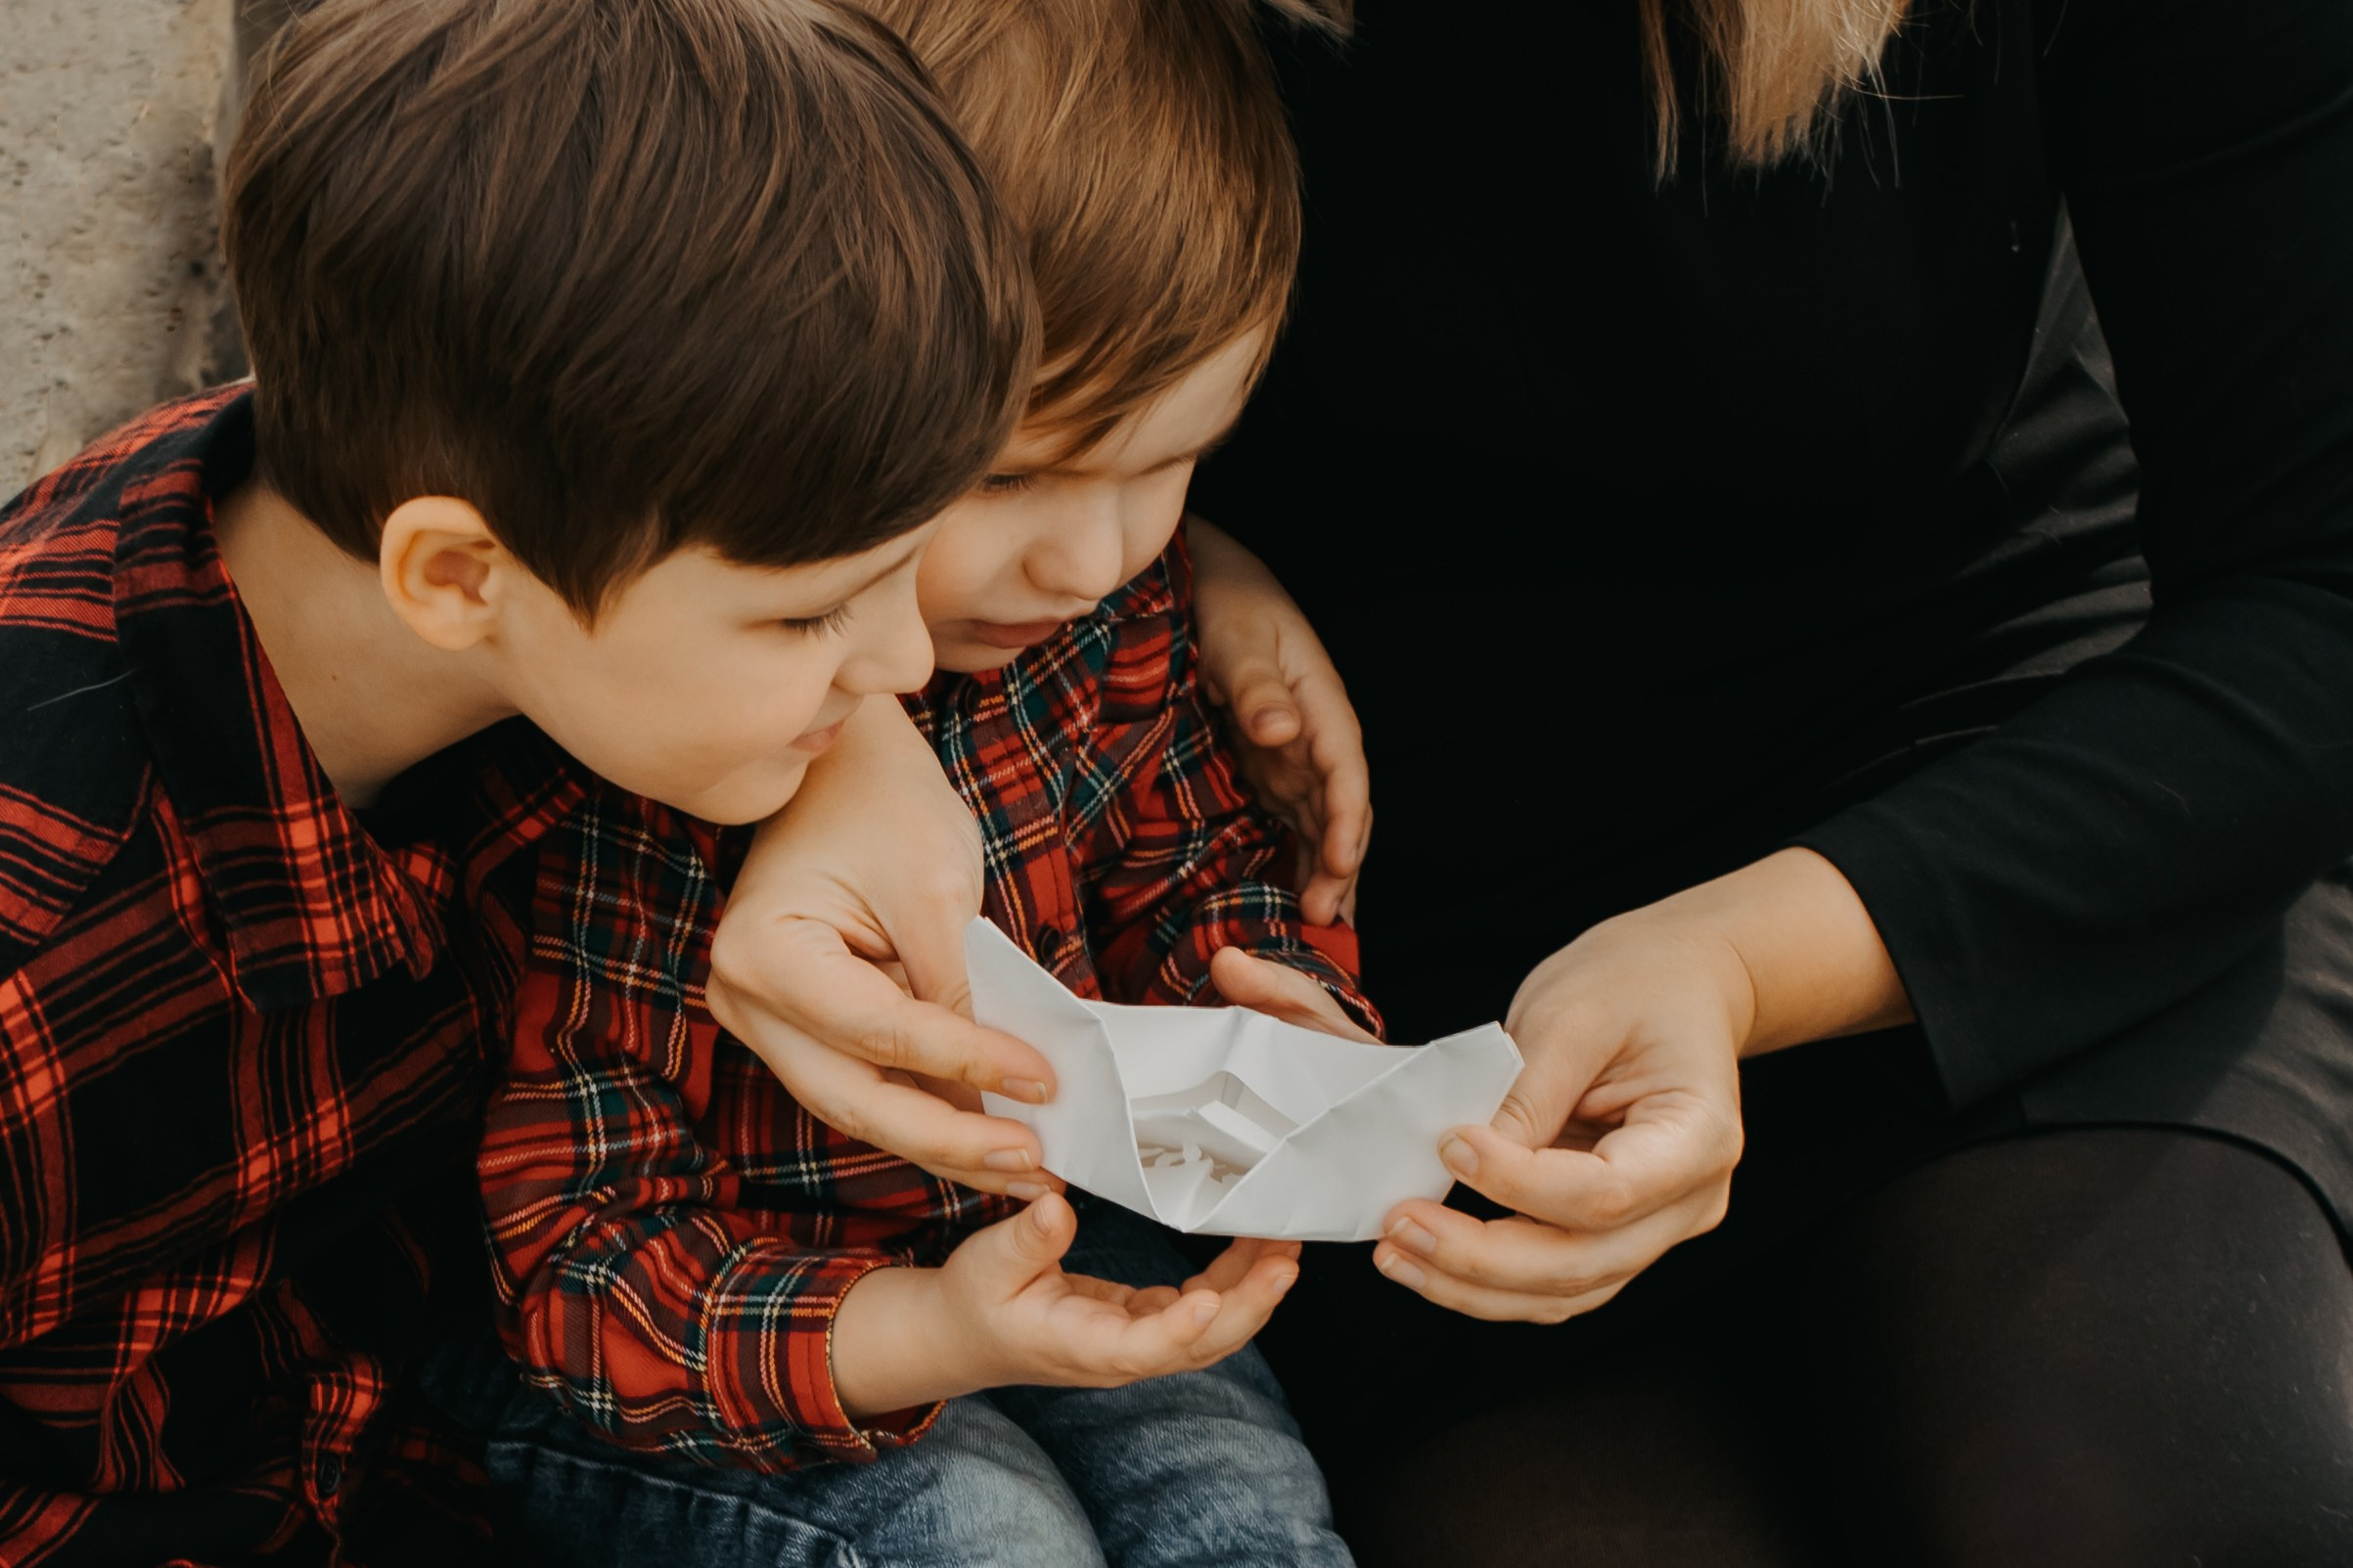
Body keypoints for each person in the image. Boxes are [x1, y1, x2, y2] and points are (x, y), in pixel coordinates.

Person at [701, 0, 2353, 1562]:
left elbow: (2314, 601)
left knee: (2143, 1499)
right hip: (1367, 946)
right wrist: (855, 701)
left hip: (1983, 800)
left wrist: (1732, 961)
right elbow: (646, 284)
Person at [0, 0, 1032, 1560]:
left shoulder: (485, 478)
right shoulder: (47, 937)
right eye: (811, 613)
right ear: (458, 578)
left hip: (444, 1401)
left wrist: (870, 766)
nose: (902, 657)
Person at [466, 4, 1368, 1566]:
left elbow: (1182, 863)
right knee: (983, 1538)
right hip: (709, 1350)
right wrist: (932, 1333)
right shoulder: (661, 732)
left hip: (1041, 1229)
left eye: (1169, 464)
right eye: (1006, 477)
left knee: (1243, 1512)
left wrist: (1265, 1015)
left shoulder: (1101, 620)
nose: (1089, 557)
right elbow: (578, 1266)